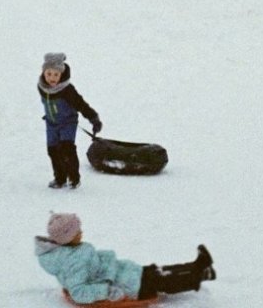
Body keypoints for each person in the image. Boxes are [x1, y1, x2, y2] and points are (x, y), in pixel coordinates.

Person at [35, 212, 216, 304]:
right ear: (66, 238)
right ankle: (201, 275)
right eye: (77, 232)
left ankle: (196, 266)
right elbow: (79, 292)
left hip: (121, 274)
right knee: (162, 280)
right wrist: (107, 291)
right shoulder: (73, 263)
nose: (81, 232)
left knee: (155, 271)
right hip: (123, 286)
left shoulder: (71, 251)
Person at [39, 53, 102, 189]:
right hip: (51, 124)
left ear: (61, 74)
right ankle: (60, 178)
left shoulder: (67, 90)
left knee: (67, 149)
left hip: (68, 122)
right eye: (49, 74)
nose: (52, 78)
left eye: (56, 74)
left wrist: (93, 118)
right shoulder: (42, 88)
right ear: (43, 73)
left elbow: (81, 104)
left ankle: (74, 178)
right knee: (53, 150)